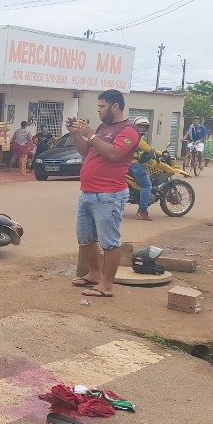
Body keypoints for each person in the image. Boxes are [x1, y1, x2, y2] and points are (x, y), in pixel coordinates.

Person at [66, 89, 140, 298]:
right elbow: (86, 152)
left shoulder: (129, 130)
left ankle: (107, 284)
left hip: (109, 195)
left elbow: (114, 154)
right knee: (85, 238)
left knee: (109, 241)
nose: (98, 110)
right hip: (88, 192)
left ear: (115, 106)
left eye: (102, 106)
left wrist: (90, 133)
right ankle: (94, 274)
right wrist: (76, 134)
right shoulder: (103, 128)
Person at [127, 117, 157, 220]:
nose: (142, 128)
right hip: (134, 164)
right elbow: (149, 149)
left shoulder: (131, 135)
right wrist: (161, 154)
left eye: (144, 126)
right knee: (147, 185)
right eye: (140, 126)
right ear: (136, 126)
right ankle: (142, 211)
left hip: (126, 164)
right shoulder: (138, 138)